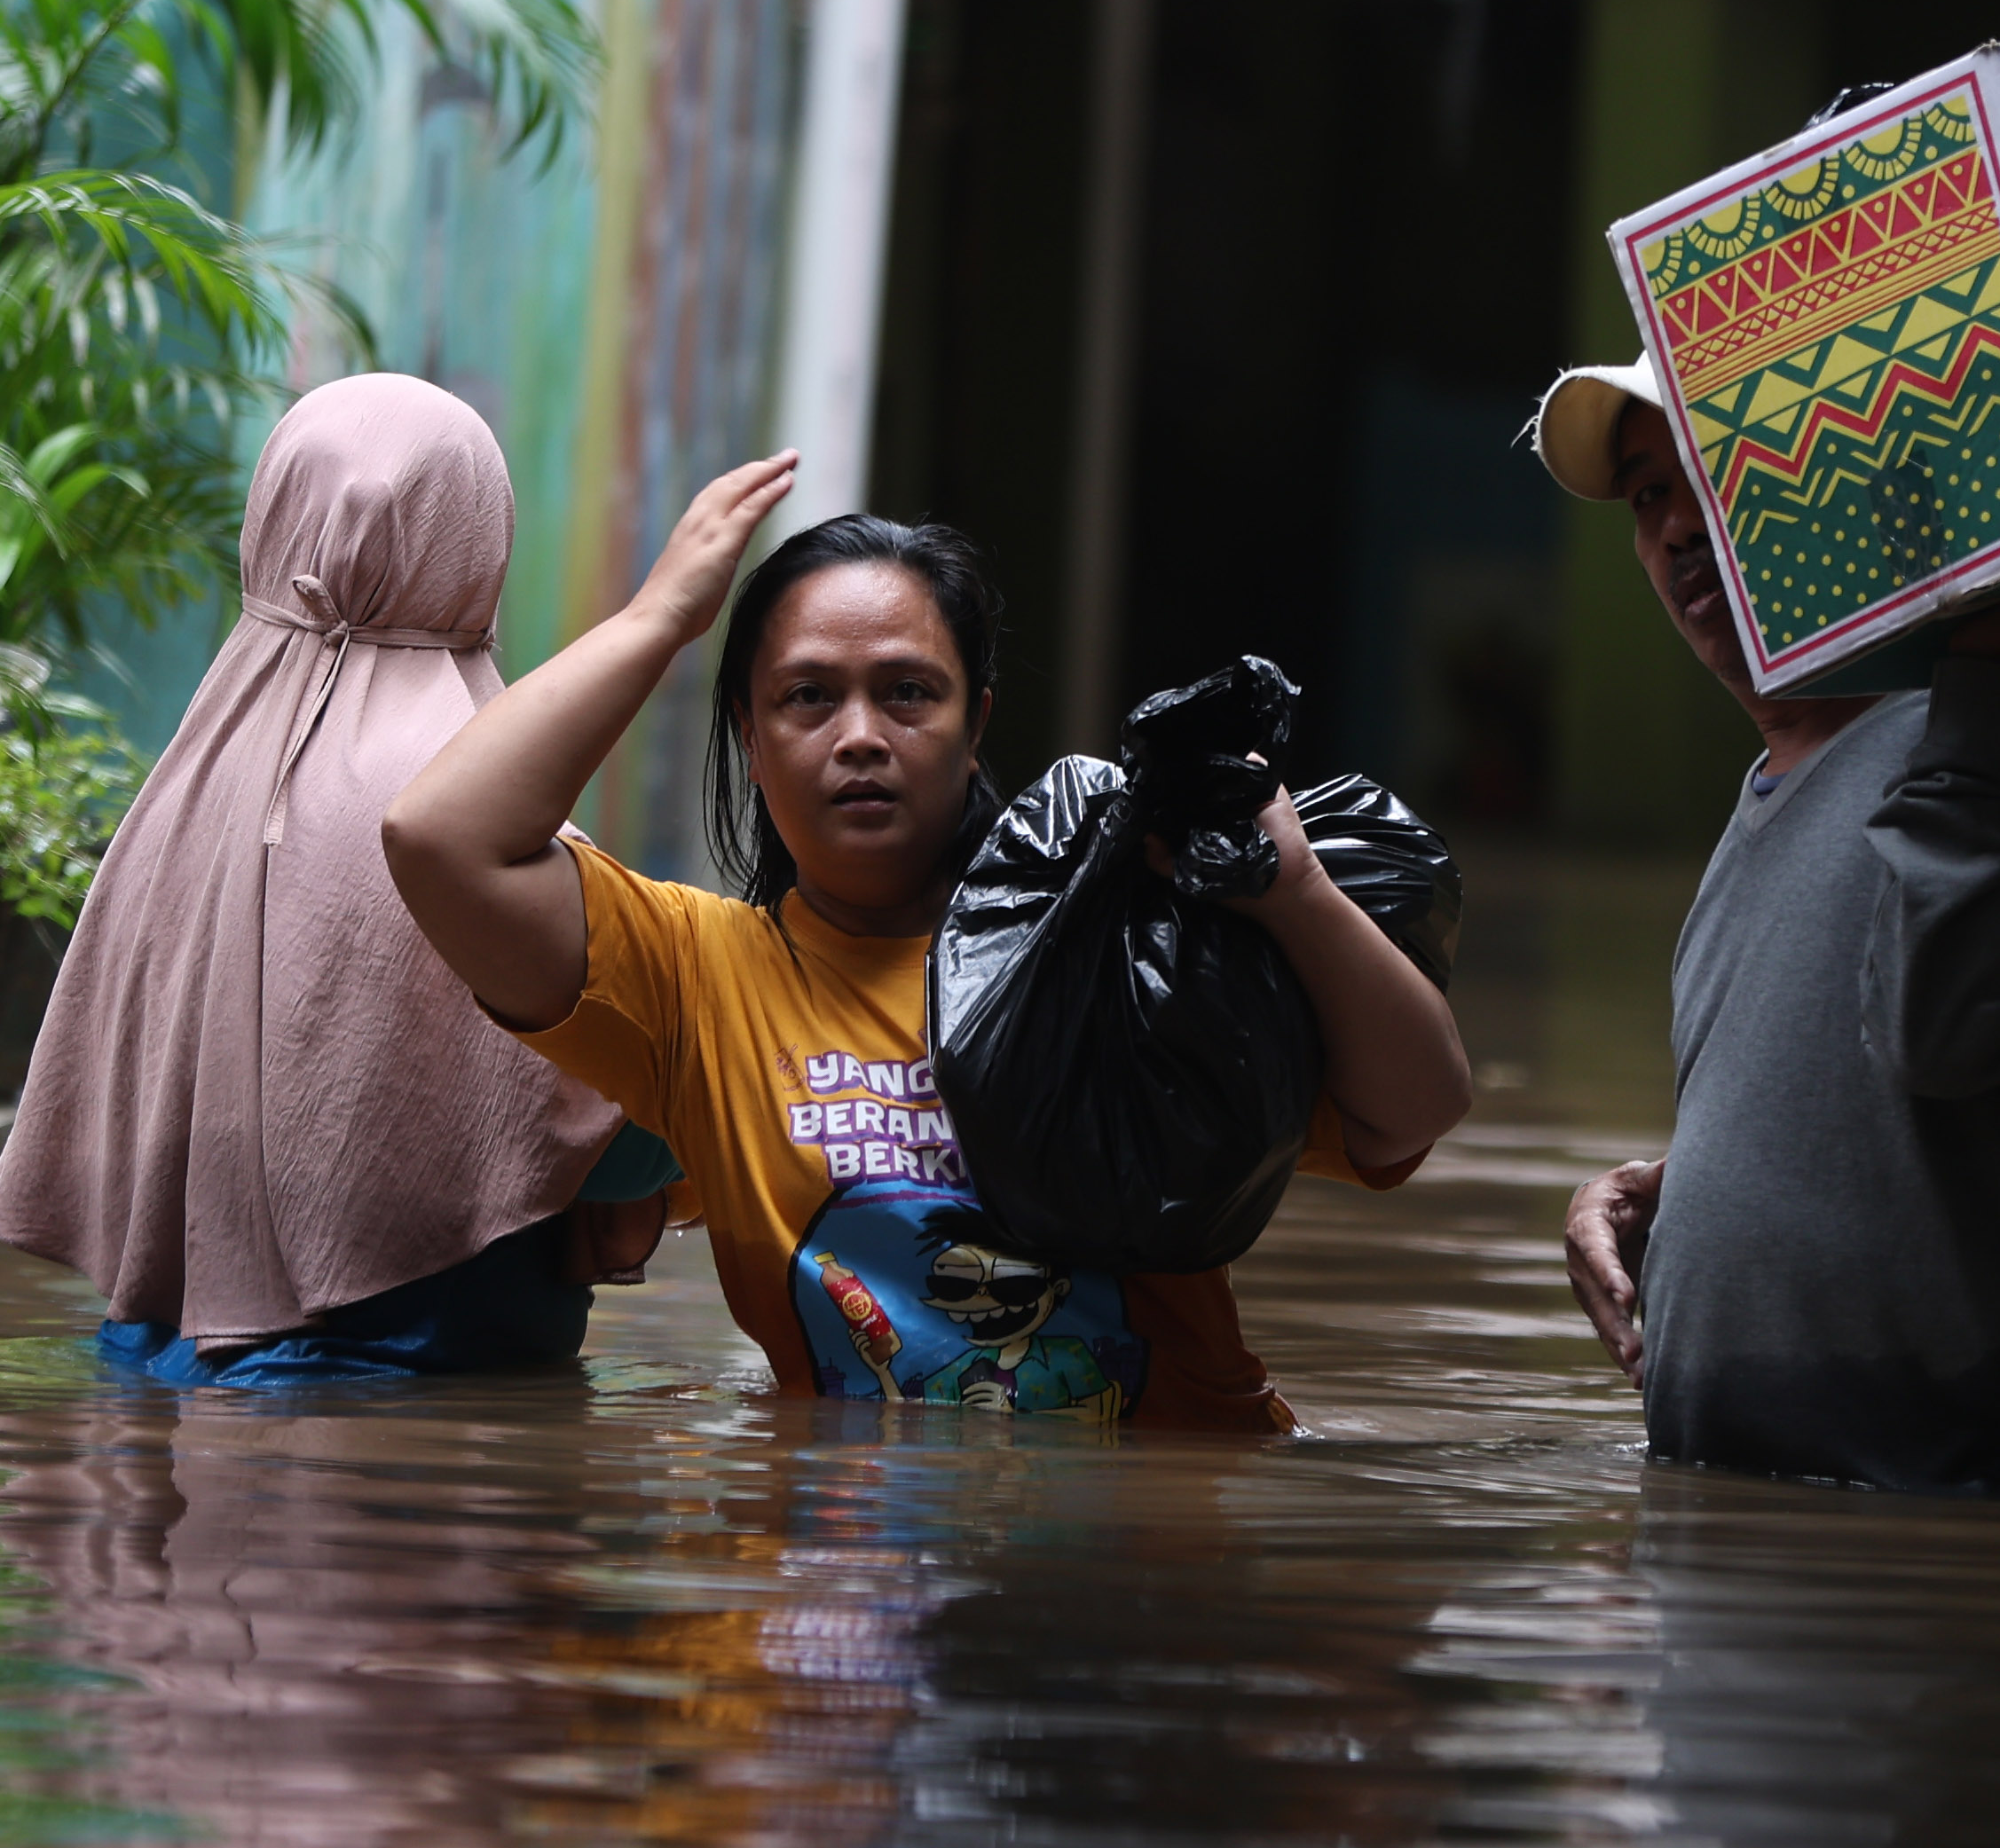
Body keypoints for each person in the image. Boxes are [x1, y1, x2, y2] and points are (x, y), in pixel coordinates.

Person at [381, 461, 1475, 1427]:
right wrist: (662, 618)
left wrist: (1294, 892)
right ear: (751, 744)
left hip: (1153, 1567)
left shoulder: (1115, 940)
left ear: (976, 722)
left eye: (907, 693)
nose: (861, 735)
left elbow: (1414, 1112)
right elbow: (442, 839)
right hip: (838, 1595)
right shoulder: (696, 979)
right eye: (808, 697)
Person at [1534, 358, 2000, 1497]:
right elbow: (1892, 1103)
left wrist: (1990, 675)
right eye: (1643, 495)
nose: (1674, 528)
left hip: (1948, 1548)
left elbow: (1953, 1029)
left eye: (1712, 473)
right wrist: (1670, 1188)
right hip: (1747, 1555)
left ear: (1837, 491)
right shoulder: (1762, 804)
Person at [0, 374, 676, 1383]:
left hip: (172, 1353)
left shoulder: (184, 788)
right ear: (478, 540)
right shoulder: (468, 810)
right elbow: (610, 1123)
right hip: (427, 1374)